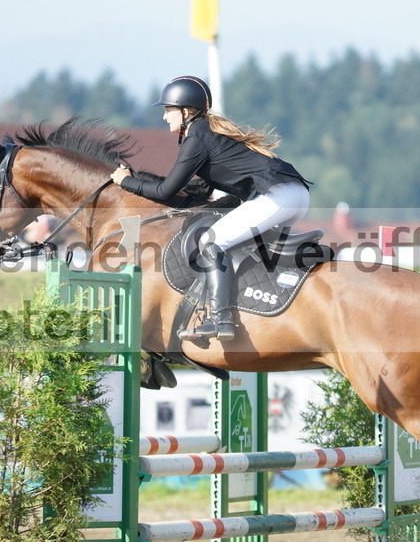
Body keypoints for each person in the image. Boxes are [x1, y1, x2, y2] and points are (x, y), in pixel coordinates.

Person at [111, 75, 311, 342]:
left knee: (211, 242)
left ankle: (220, 318)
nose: (164, 117)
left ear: (185, 110)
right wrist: (140, 183)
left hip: (278, 196)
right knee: (235, 243)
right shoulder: (205, 133)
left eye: (168, 110)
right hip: (289, 195)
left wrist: (126, 181)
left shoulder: (198, 139)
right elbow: (193, 193)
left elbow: (165, 191)